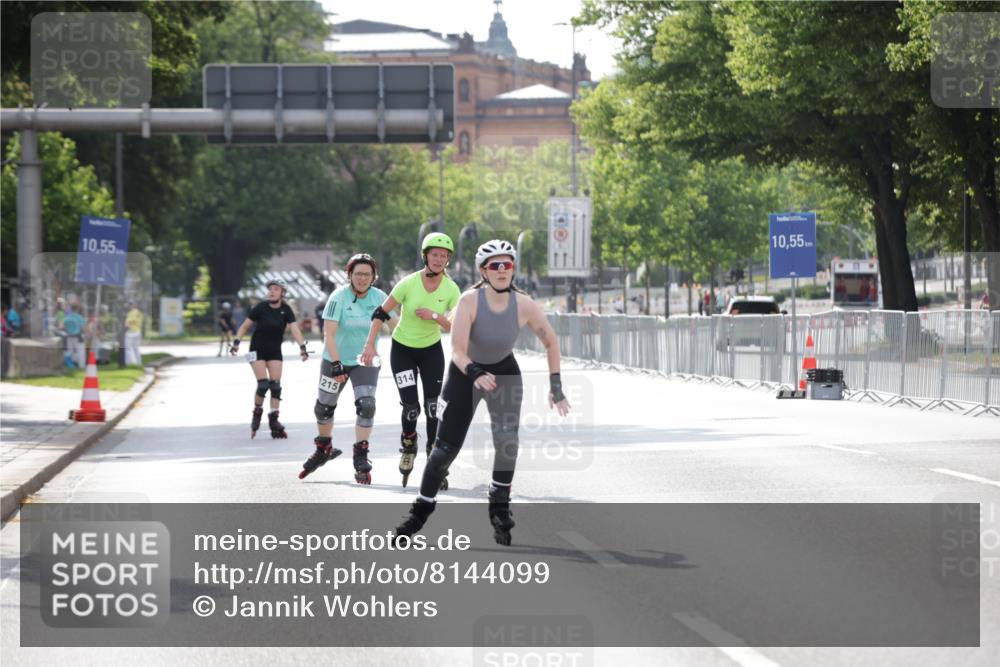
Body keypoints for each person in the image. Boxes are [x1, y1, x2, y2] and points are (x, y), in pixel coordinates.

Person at [394, 239, 571, 546]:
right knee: (443, 451)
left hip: (504, 374)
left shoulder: (525, 304)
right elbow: (458, 351)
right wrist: (475, 372)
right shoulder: (469, 301)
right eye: (495, 265)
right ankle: (419, 511)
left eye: (507, 264)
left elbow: (551, 342)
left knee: (507, 442)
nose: (502, 270)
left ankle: (499, 505)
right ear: (483, 271)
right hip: (466, 374)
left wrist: (555, 386)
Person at [361, 232, 461, 488]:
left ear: (448, 260)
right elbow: (380, 312)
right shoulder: (408, 283)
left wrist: (435, 315)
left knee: (432, 407)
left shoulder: (451, 289)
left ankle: (434, 460)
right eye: (435, 254)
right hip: (403, 349)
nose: (439, 259)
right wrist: (370, 344)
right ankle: (408, 444)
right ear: (425, 256)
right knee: (411, 407)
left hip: (431, 351)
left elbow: (453, 325)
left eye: (444, 256)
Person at [300, 253, 399, 482]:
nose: (362, 278)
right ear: (350, 275)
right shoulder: (339, 297)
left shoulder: (380, 297)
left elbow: (397, 327)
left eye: (367, 274)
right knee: (324, 407)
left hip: (365, 359)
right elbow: (329, 333)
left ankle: (361, 454)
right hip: (335, 358)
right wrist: (335, 363)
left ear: (374, 276)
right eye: (358, 274)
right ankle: (323, 447)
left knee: (367, 405)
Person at [230, 279, 309, 438]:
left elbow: (295, 330)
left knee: (276, 386)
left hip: (274, 351)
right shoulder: (260, 307)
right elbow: (245, 326)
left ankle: (274, 419)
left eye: (275, 289)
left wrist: (302, 347)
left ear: (282, 293)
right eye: (270, 289)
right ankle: (257, 411)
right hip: (256, 349)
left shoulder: (286, 310)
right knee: (263, 384)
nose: (271, 292)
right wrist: (236, 342)